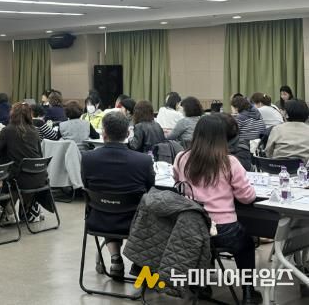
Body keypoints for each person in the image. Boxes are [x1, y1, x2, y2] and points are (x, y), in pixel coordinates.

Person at [173, 114, 260, 305]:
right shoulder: (229, 162)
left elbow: (178, 183)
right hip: (224, 229)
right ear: (222, 137)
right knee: (247, 244)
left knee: (205, 243)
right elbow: (247, 197)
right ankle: (248, 292)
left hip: (191, 227)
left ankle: (201, 285)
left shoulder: (181, 158)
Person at [81, 112, 155, 278]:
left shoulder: (88, 158)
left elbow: (86, 185)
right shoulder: (143, 160)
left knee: (109, 204)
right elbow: (151, 189)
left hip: (99, 219)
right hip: (135, 222)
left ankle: (115, 258)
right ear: (128, 133)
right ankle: (142, 263)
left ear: (103, 133)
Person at [0, 103, 47, 221]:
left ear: (12, 114)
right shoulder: (34, 130)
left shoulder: (7, 131)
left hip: (19, 179)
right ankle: (29, 207)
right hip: (39, 177)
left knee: (2, 179)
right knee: (16, 174)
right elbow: (40, 155)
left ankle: (9, 210)